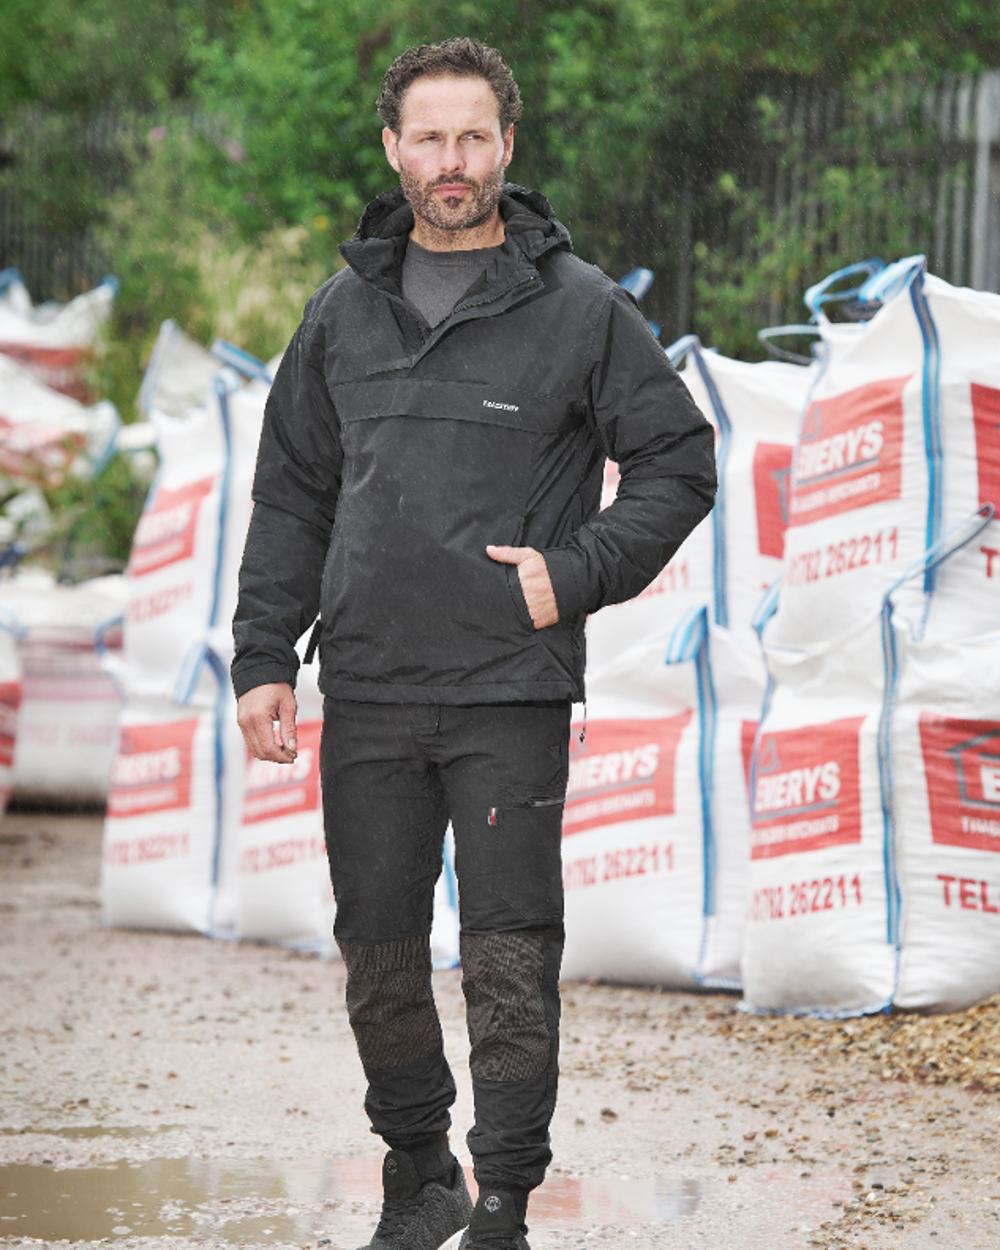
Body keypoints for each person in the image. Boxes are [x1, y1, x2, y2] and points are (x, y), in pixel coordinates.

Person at [232, 36, 716, 1250]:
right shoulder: (341, 311)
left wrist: (580, 570)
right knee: (378, 950)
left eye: (472, 137)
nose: (451, 162)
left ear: (506, 146)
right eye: (427, 137)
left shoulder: (580, 308)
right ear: (394, 150)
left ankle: (503, 1193)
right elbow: (292, 493)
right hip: (373, 684)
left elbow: (678, 462)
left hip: (508, 687)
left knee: (508, 956)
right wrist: (260, 657)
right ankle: (417, 1173)